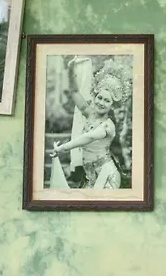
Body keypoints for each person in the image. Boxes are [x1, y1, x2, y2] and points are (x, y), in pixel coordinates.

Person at [51, 57, 130, 189]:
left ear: (112, 105)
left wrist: (63, 148)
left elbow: (89, 137)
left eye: (107, 101)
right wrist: (70, 69)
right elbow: (74, 91)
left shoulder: (108, 125)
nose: (101, 102)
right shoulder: (89, 113)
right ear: (95, 96)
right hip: (90, 176)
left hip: (107, 177)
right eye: (99, 97)